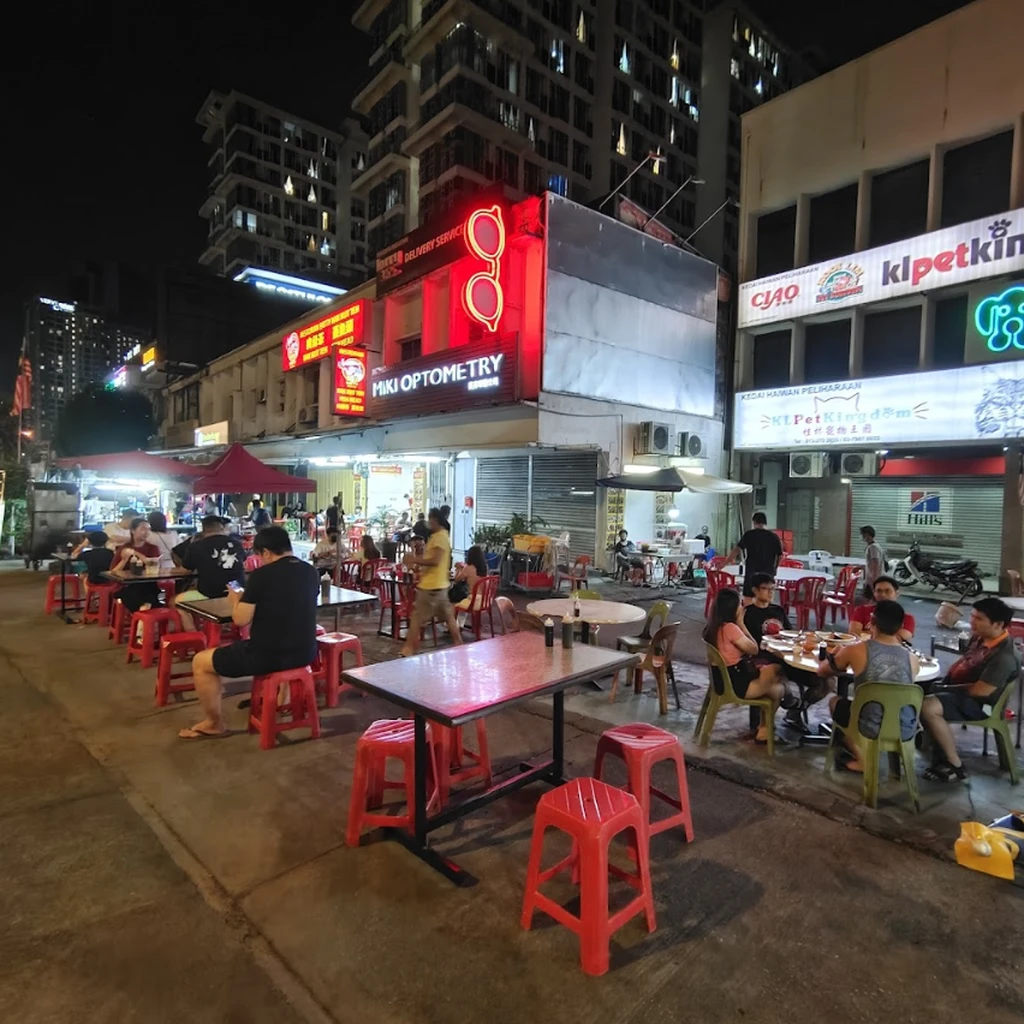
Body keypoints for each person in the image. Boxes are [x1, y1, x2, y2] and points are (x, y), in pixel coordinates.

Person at [179, 526, 319, 740]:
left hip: (266, 656)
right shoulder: (310, 571)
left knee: (201, 662)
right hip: (306, 652)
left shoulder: (261, 575)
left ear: (265, 552)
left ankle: (213, 723)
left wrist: (236, 600)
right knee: (283, 637)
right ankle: (281, 703)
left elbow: (241, 620)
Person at [920, 597, 1020, 782]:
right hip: (960, 692)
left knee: (928, 706)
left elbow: (980, 691)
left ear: (998, 624)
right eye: (972, 616)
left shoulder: (1003, 656)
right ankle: (931, 741)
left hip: (980, 704)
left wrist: (946, 687)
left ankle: (954, 764)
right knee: (917, 688)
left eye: (979, 618)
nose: (972, 621)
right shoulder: (980, 638)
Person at [818, 599, 920, 772]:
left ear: (872, 620)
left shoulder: (855, 650)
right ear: (901, 626)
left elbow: (822, 672)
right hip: (905, 728)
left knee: (835, 702)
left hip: (866, 728)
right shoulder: (913, 659)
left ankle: (861, 758)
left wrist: (832, 655)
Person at [702, 587, 790, 743]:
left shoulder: (711, 627)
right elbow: (754, 649)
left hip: (721, 681)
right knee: (778, 686)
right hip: (736, 685)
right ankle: (765, 728)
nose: (742, 608)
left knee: (775, 674)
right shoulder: (731, 628)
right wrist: (741, 624)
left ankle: (764, 728)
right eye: (739, 605)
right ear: (732, 609)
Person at [400, 508, 462, 658]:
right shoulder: (439, 536)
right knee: (448, 616)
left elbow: (436, 560)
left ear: (435, 520)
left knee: (416, 618)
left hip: (430, 587)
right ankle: (459, 644)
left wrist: (414, 560)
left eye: (430, 519)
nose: (428, 522)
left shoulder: (440, 537)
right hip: (440, 585)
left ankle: (408, 648)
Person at [173, 514, 246, 602]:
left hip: (211, 593)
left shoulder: (196, 546)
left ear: (203, 530)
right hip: (237, 590)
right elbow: (243, 562)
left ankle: (199, 615)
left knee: (176, 600)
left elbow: (185, 571)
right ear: (222, 528)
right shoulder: (237, 543)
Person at [726, 513, 783, 599]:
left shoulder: (749, 535)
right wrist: (775, 568)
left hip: (751, 574)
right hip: (767, 574)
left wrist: (724, 563)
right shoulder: (774, 537)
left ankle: (749, 612)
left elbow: (736, 550)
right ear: (765, 522)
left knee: (748, 599)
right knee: (765, 600)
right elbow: (779, 556)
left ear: (754, 522)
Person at [112, 518, 162, 612]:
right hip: (126, 586)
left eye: (149, 529)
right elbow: (113, 572)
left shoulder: (153, 548)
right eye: (143, 529)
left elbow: (152, 565)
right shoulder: (123, 548)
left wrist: (135, 553)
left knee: (147, 588)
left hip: (148, 585)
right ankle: (145, 611)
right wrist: (124, 560)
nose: (146, 532)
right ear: (133, 530)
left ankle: (142, 616)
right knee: (139, 593)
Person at [850, 575, 915, 642]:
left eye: (887, 591)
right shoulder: (862, 610)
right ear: (874, 593)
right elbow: (853, 633)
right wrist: (886, 636)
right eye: (879, 591)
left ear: (897, 593)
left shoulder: (907, 618)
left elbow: (899, 638)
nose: (883, 594)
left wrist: (865, 633)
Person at [860, 526, 885, 599]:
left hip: (873, 579)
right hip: (871, 578)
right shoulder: (874, 546)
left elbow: (875, 563)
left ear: (867, 535)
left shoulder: (873, 547)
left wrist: (874, 580)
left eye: (862, 534)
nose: (861, 536)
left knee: (870, 599)